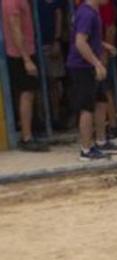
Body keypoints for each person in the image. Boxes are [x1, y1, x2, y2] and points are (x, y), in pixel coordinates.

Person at [68, 0, 117, 160]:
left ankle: (100, 140)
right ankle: (86, 149)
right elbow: (80, 42)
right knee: (87, 107)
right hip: (82, 66)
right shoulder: (86, 13)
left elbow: (87, 37)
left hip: (87, 64)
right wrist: (97, 63)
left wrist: (103, 45)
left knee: (101, 101)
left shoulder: (90, 11)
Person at [2, 0, 49, 151]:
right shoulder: (11, 2)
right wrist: (26, 59)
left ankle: (29, 131)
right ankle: (26, 136)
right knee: (26, 94)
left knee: (28, 93)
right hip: (20, 54)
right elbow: (15, 29)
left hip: (25, 51)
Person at [37, 0, 67, 132]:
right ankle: (42, 119)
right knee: (38, 86)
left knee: (54, 83)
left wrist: (57, 40)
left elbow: (58, 15)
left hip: (49, 43)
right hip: (37, 45)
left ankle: (55, 117)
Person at [99, 0, 117, 143]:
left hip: (100, 53)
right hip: (91, 53)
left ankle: (113, 126)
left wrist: (105, 53)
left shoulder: (105, 4)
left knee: (105, 90)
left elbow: (110, 28)